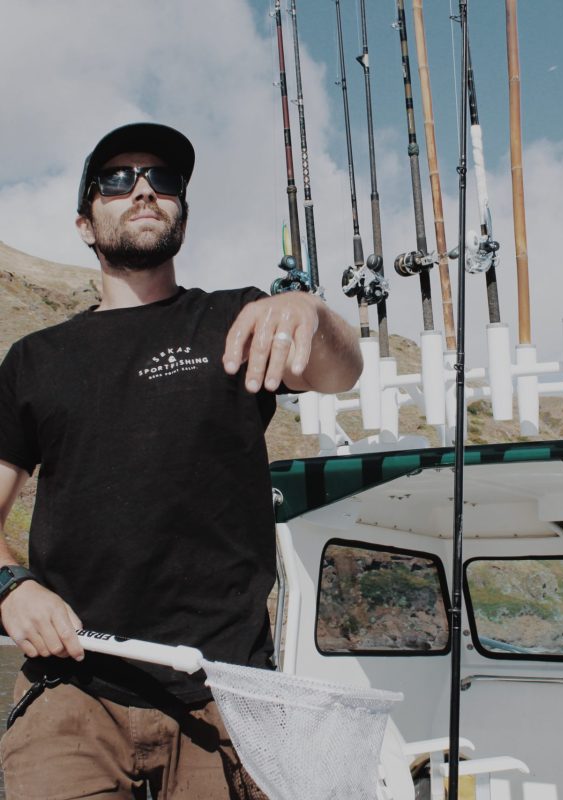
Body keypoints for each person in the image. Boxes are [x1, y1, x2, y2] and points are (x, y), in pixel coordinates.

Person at [0, 123, 362, 799]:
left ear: (181, 214)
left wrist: (311, 312)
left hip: (223, 693)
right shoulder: (34, 360)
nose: (143, 189)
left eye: (163, 179)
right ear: (84, 223)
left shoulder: (239, 319)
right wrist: (11, 586)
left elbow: (340, 373)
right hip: (75, 685)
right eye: (117, 179)